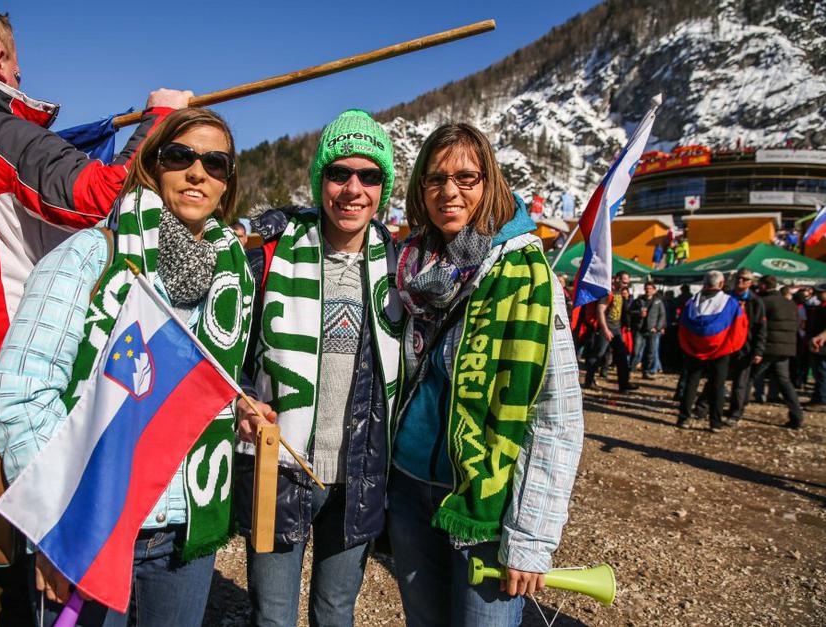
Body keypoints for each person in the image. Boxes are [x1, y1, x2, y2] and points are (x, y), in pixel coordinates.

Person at [0, 2, 191, 624]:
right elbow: (104, 199)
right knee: (27, 585)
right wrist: (161, 122)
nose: (20, 79)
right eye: (18, 68)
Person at [0, 107, 252, 625]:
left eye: (215, 164)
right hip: (91, 522)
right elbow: (20, 392)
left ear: (227, 184)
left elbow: (197, 381)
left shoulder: (233, 277)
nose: (197, 173)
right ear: (152, 166)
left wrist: (239, 404)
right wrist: (56, 525)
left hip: (184, 528)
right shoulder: (91, 256)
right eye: (180, 156)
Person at [387, 123, 583, 626]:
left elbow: (557, 415)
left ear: (489, 182)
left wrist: (531, 539)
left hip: (485, 505)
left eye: (466, 178)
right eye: (435, 179)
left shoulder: (527, 274)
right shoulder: (411, 264)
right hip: (409, 487)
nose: (449, 191)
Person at [233, 110, 403, 627]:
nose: (353, 189)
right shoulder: (269, 258)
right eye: (339, 173)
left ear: (383, 187)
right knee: (272, 615)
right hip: (278, 463)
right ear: (319, 181)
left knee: (335, 613)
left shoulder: (403, 268)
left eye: (369, 175)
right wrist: (241, 397)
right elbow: (230, 353)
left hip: (358, 473)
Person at [677, 271, 747, 431]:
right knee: (718, 385)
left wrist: (688, 344)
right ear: (721, 284)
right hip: (720, 349)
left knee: (691, 382)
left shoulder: (692, 303)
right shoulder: (730, 303)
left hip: (694, 348)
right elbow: (739, 326)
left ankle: (684, 418)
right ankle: (715, 422)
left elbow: (683, 326)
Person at [694, 268, 766, 425]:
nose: (740, 281)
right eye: (738, 278)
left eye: (744, 279)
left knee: (740, 383)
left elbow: (760, 328)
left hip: (745, 347)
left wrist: (758, 350)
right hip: (724, 344)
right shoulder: (724, 297)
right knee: (716, 378)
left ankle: (735, 413)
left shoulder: (756, 301)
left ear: (751, 283)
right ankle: (702, 407)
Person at [753, 275, 804, 429]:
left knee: (748, 377)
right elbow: (796, 325)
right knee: (785, 382)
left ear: (763, 286)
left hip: (768, 347)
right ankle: (797, 416)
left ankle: (736, 411)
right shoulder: (790, 304)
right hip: (786, 348)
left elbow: (757, 325)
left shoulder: (764, 302)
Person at [583, 271, 638, 392]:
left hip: (616, 329)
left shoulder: (620, 292)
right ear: (617, 279)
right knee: (598, 355)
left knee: (622, 357)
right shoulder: (608, 292)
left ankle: (624, 384)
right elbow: (600, 310)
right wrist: (605, 329)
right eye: (624, 282)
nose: (626, 285)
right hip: (606, 328)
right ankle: (589, 381)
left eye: (627, 283)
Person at [629, 282, 667, 379]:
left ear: (654, 290)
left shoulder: (658, 302)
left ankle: (646, 371)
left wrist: (657, 327)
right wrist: (639, 313)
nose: (648, 290)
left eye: (650, 288)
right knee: (636, 351)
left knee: (650, 352)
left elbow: (662, 315)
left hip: (652, 330)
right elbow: (630, 312)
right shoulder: (638, 300)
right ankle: (631, 370)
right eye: (646, 288)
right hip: (640, 329)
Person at [804, 283, 826, 411]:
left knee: (822, 373)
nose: (817, 294)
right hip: (816, 345)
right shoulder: (819, 307)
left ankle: (822, 400)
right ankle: (817, 398)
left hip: (822, 346)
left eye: (820, 292)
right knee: (818, 373)